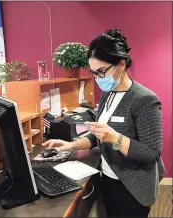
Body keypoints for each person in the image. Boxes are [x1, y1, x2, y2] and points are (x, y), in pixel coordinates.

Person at [43, 28, 166, 218]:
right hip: (108, 176)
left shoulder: (145, 100)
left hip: (132, 186)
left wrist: (115, 138)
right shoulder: (109, 94)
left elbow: (151, 153)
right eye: (93, 73)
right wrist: (72, 145)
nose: (98, 78)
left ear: (121, 64)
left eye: (101, 72)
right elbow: (99, 133)